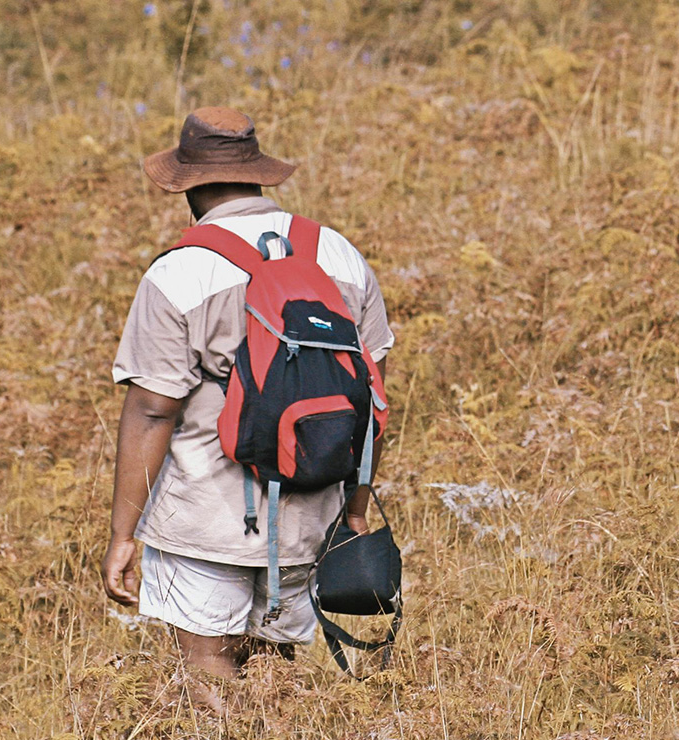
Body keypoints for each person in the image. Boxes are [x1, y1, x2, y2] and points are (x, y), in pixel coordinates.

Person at [101, 107, 395, 681]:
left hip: (205, 517)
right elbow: (373, 400)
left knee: (208, 668)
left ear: (188, 185)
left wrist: (123, 534)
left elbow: (153, 409)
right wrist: (353, 510)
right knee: (274, 675)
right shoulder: (339, 254)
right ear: (258, 173)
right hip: (313, 508)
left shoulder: (179, 273)